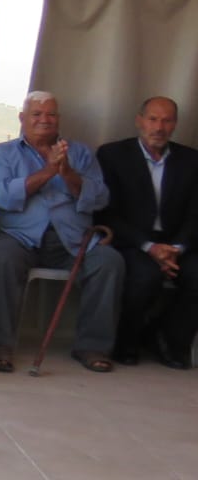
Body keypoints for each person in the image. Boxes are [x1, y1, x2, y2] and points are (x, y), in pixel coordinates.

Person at [0, 91, 123, 373]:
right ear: (22, 118)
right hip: (19, 237)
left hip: (73, 240)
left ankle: (92, 346)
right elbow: (2, 196)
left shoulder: (80, 153)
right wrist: (48, 171)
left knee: (109, 262)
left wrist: (68, 173)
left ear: (58, 119)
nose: (44, 120)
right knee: (3, 256)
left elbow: (100, 198)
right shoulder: (4, 153)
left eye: (51, 114)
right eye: (37, 114)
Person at [97, 96, 198, 368]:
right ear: (139, 121)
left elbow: (195, 214)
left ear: (175, 124)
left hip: (177, 244)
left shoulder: (191, 160)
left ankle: (169, 341)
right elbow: (107, 213)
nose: (159, 127)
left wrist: (177, 249)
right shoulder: (112, 155)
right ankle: (127, 344)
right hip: (133, 241)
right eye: (153, 119)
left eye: (166, 121)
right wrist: (149, 247)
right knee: (145, 276)